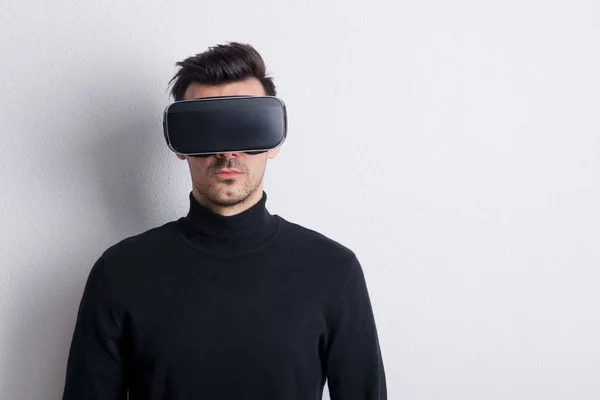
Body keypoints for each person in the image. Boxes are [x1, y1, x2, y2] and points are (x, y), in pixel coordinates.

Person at [61, 42, 387, 400]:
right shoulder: (119, 272)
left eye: (245, 127)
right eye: (207, 128)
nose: (227, 152)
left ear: (274, 140)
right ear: (180, 144)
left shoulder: (333, 271)